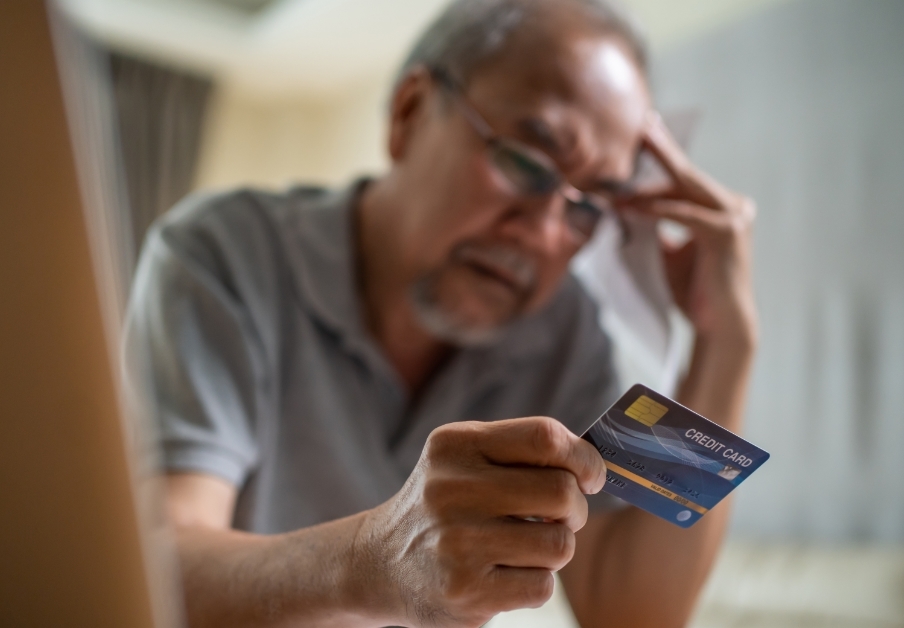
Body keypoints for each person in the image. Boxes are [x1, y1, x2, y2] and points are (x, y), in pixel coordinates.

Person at [124, 0, 758, 626]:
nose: (543, 235)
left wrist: (725, 342)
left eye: (588, 206)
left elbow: (634, 613)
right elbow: (154, 562)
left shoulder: (566, 328)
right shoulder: (221, 251)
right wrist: (373, 562)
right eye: (526, 162)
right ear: (409, 113)